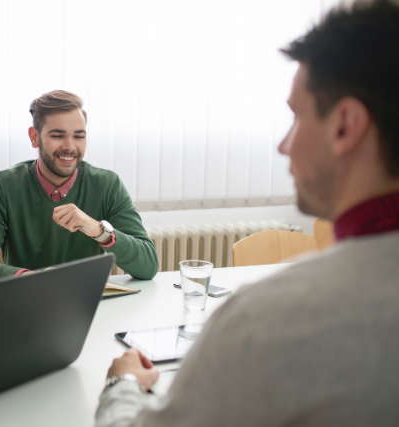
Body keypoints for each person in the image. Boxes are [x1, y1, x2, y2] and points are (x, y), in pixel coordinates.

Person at [96, 1, 399, 426]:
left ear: (345, 125)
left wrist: (122, 385)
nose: (283, 145)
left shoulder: (269, 320)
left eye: (296, 116)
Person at [0, 90, 158, 280]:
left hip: (90, 308)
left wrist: (98, 230)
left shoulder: (107, 185)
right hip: (23, 301)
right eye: (57, 135)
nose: (70, 147)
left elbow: (148, 266)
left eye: (79, 136)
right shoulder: (2, 186)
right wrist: (33, 279)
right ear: (34, 137)